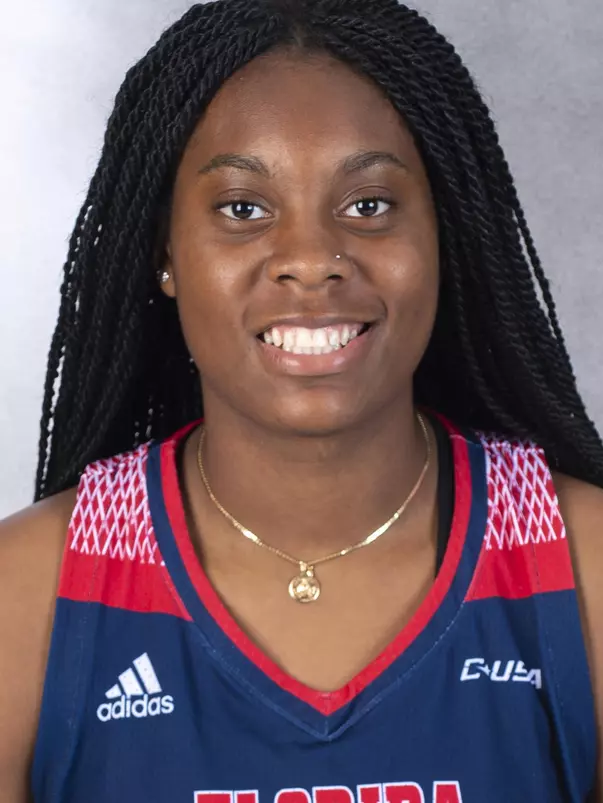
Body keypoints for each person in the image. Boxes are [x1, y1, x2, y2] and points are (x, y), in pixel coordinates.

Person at [1, 0, 602, 799]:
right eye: (243, 209)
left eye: (368, 205)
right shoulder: (31, 589)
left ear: (446, 236)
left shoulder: (580, 561)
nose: (311, 260)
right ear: (165, 253)